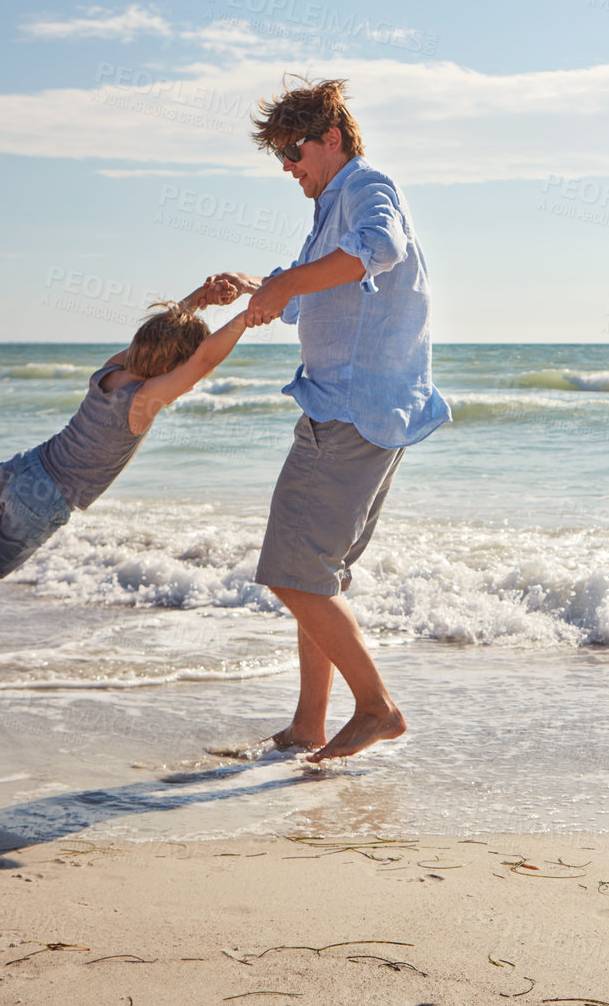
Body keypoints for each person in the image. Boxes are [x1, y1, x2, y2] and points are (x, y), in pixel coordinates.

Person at [210, 76, 449, 762]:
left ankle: (376, 708)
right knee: (316, 575)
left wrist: (290, 282)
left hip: (351, 409)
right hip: (343, 406)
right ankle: (309, 723)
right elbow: (311, 294)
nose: (288, 168)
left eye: (293, 151)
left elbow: (379, 250)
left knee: (293, 572)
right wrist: (262, 285)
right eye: (282, 157)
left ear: (332, 139)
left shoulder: (366, 188)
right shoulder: (327, 211)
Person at [0, 282, 247, 580]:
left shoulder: (108, 371)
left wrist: (200, 299)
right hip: (47, 498)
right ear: (170, 370)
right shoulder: (144, 399)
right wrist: (249, 314)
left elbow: (165, 335)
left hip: (26, 464)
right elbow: (201, 362)